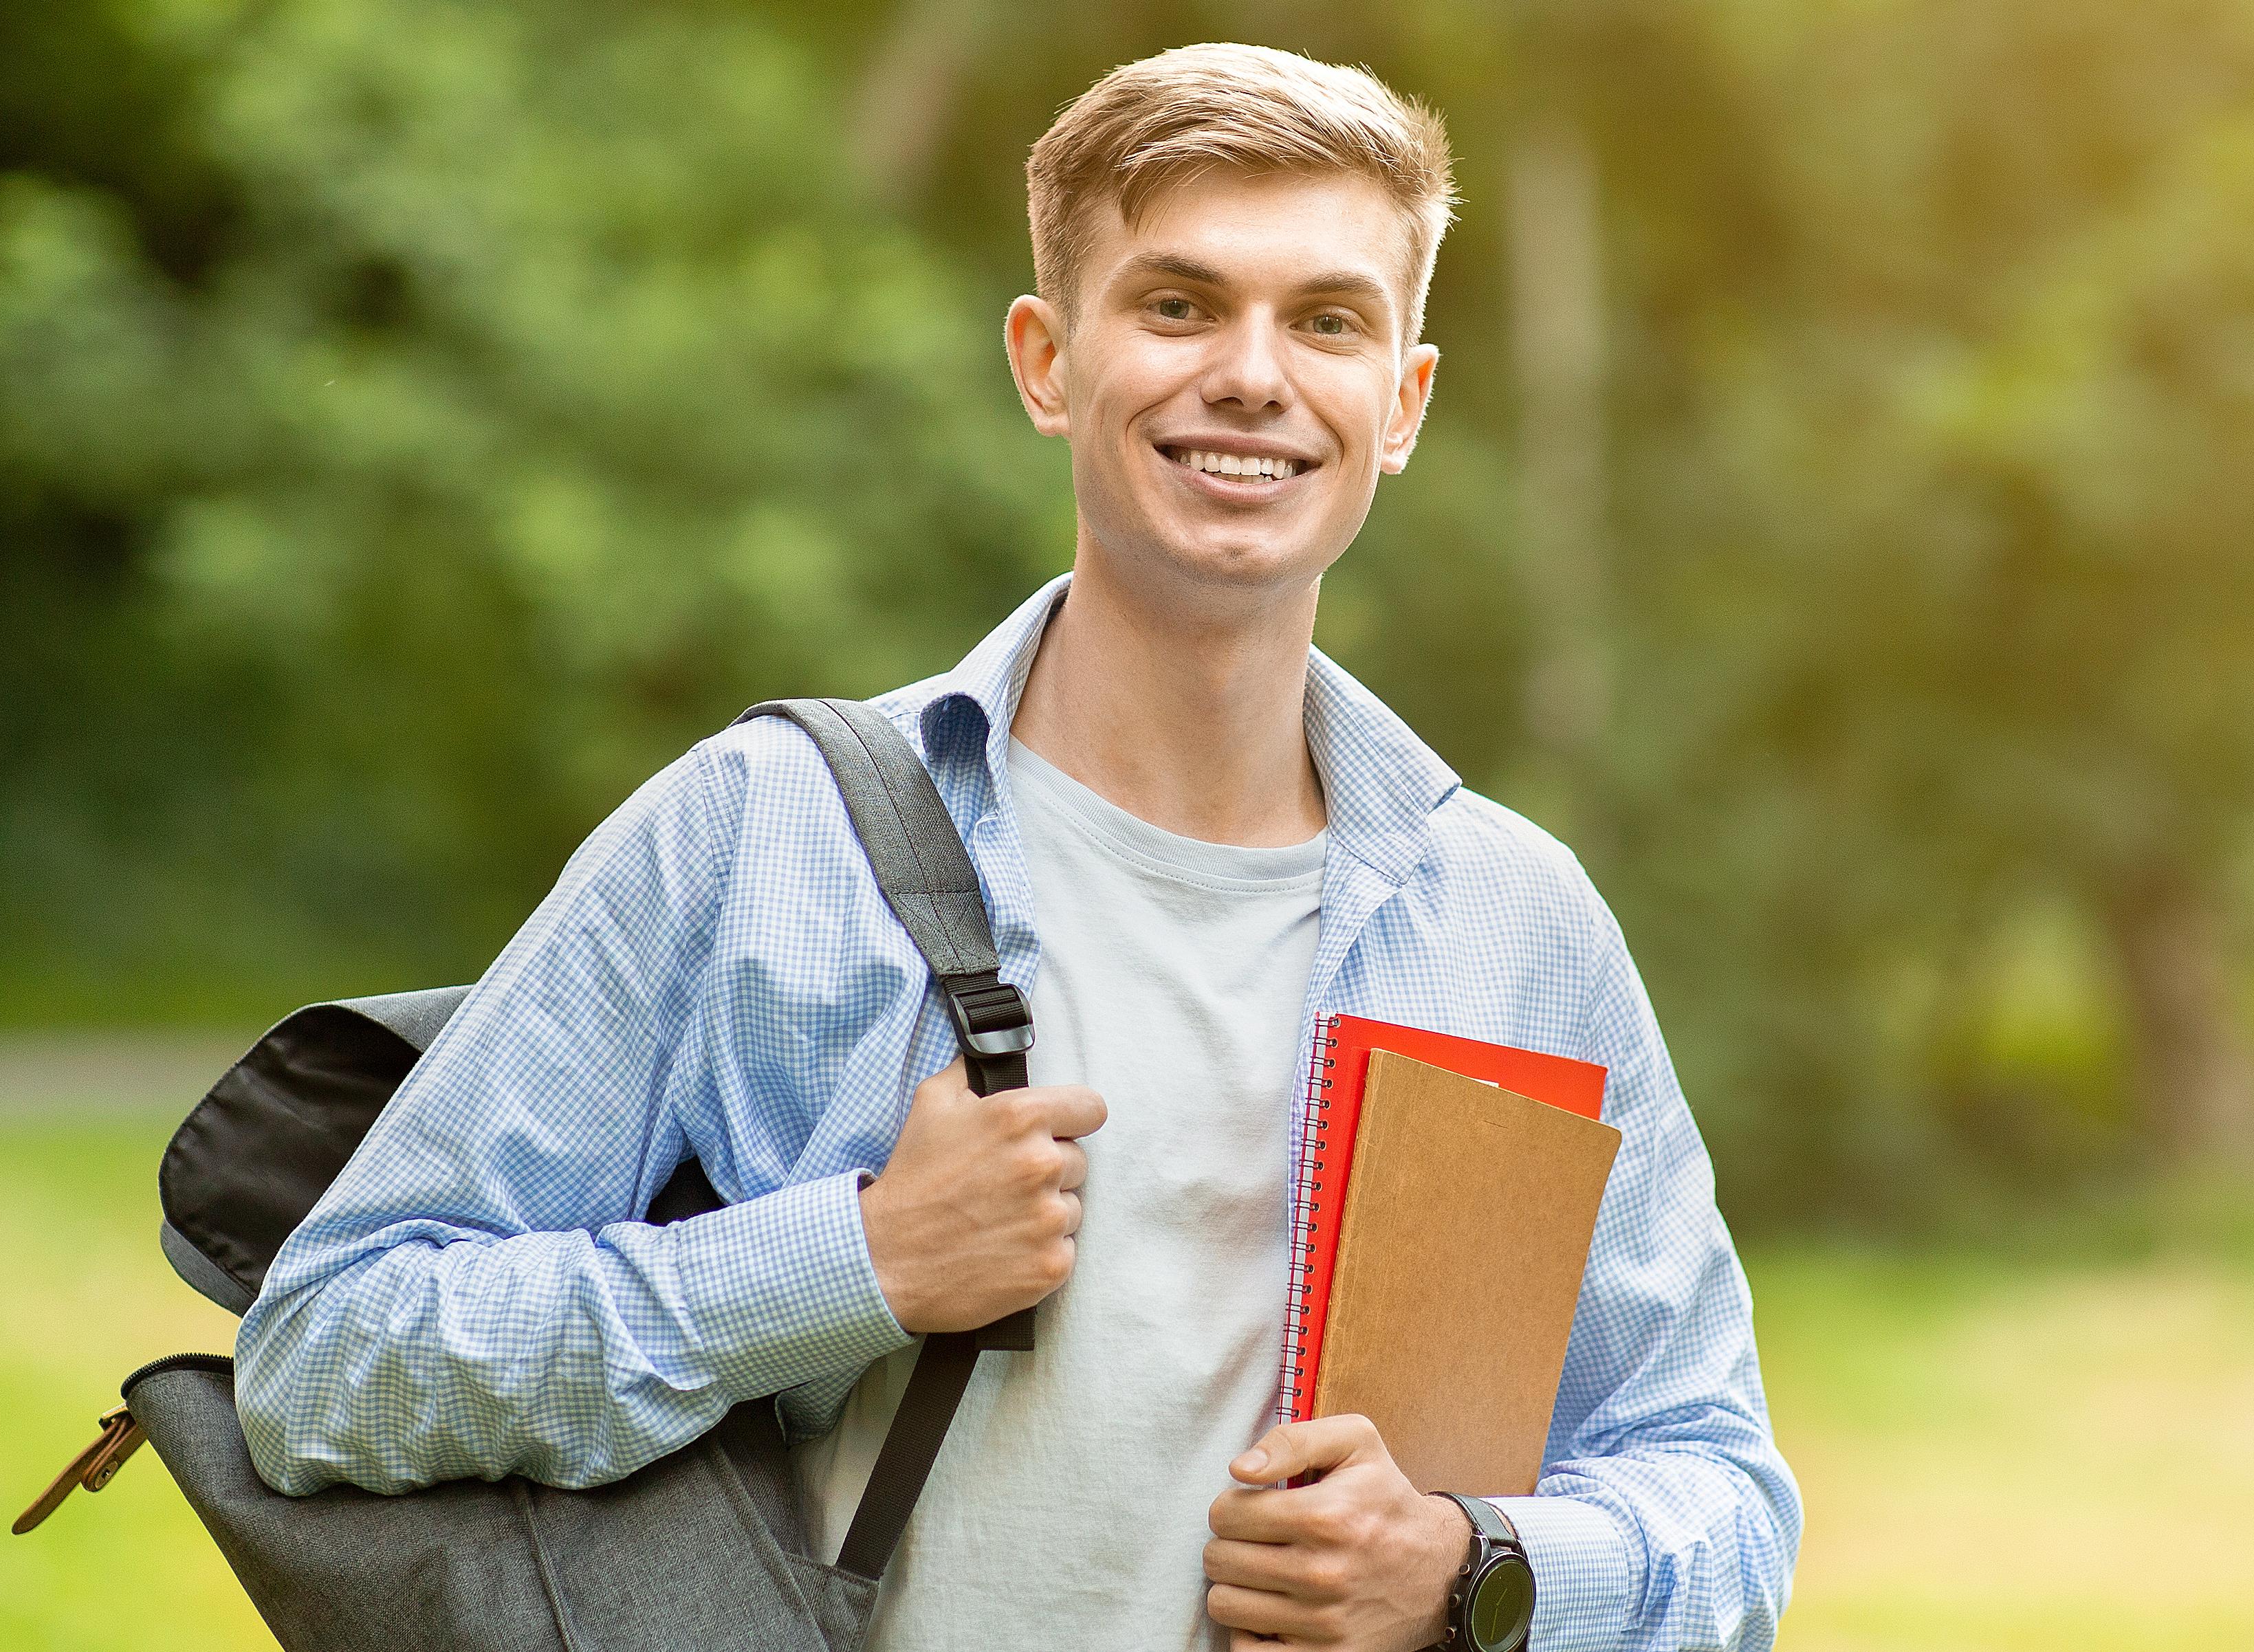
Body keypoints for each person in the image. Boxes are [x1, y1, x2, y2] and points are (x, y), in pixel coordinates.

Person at [234, 42, 1801, 1652]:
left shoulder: (1514, 924)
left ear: (1399, 401)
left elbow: (1719, 1492)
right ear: (1048, 361)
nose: (1253, 374)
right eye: (1179, 305)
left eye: (1324, 319)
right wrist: (851, 1257)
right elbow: (325, 1354)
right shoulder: (764, 830)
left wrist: (1470, 1565)